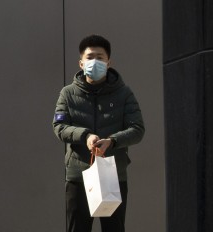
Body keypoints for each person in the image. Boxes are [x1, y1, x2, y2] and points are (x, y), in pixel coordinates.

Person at [53, 34, 145, 232]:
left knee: (114, 228)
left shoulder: (123, 93)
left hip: (113, 175)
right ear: (81, 62)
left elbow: (137, 129)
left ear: (109, 62)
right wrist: (85, 136)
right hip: (78, 175)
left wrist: (112, 141)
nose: (95, 62)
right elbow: (59, 127)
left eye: (100, 58)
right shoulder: (68, 94)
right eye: (90, 57)